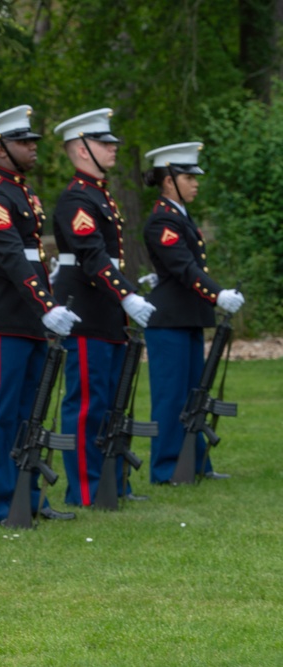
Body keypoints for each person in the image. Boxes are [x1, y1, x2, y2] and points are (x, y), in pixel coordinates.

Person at [0, 105, 81, 525]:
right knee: (0, 413)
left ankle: (27, 498)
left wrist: (44, 304)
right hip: (1, 316)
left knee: (30, 412)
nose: (33, 147)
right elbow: (11, 255)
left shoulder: (21, 192)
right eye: (23, 141)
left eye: (32, 140)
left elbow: (29, 257)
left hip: (27, 314)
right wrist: (47, 305)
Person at [51, 108, 156, 506]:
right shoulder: (77, 198)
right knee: (88, 405)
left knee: (113, 401)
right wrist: (127, 295)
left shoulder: (98, 195)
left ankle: (114, 483)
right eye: (104, 143)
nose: (113, 148)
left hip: (106, 310)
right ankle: (86, 489)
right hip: (88, 311)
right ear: (81, 149)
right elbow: (92, 256)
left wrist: (123, 299)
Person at [141, 142, 243, 484]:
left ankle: (196, 463)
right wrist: (218, 295)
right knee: (171, 398)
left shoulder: (179, 215)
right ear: (169, 181)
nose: (195, 183)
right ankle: (166, 468)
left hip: (186, 317)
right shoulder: (162, 220)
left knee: (194, 396)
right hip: (169, 321)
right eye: (189, 177)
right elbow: (184, 267)